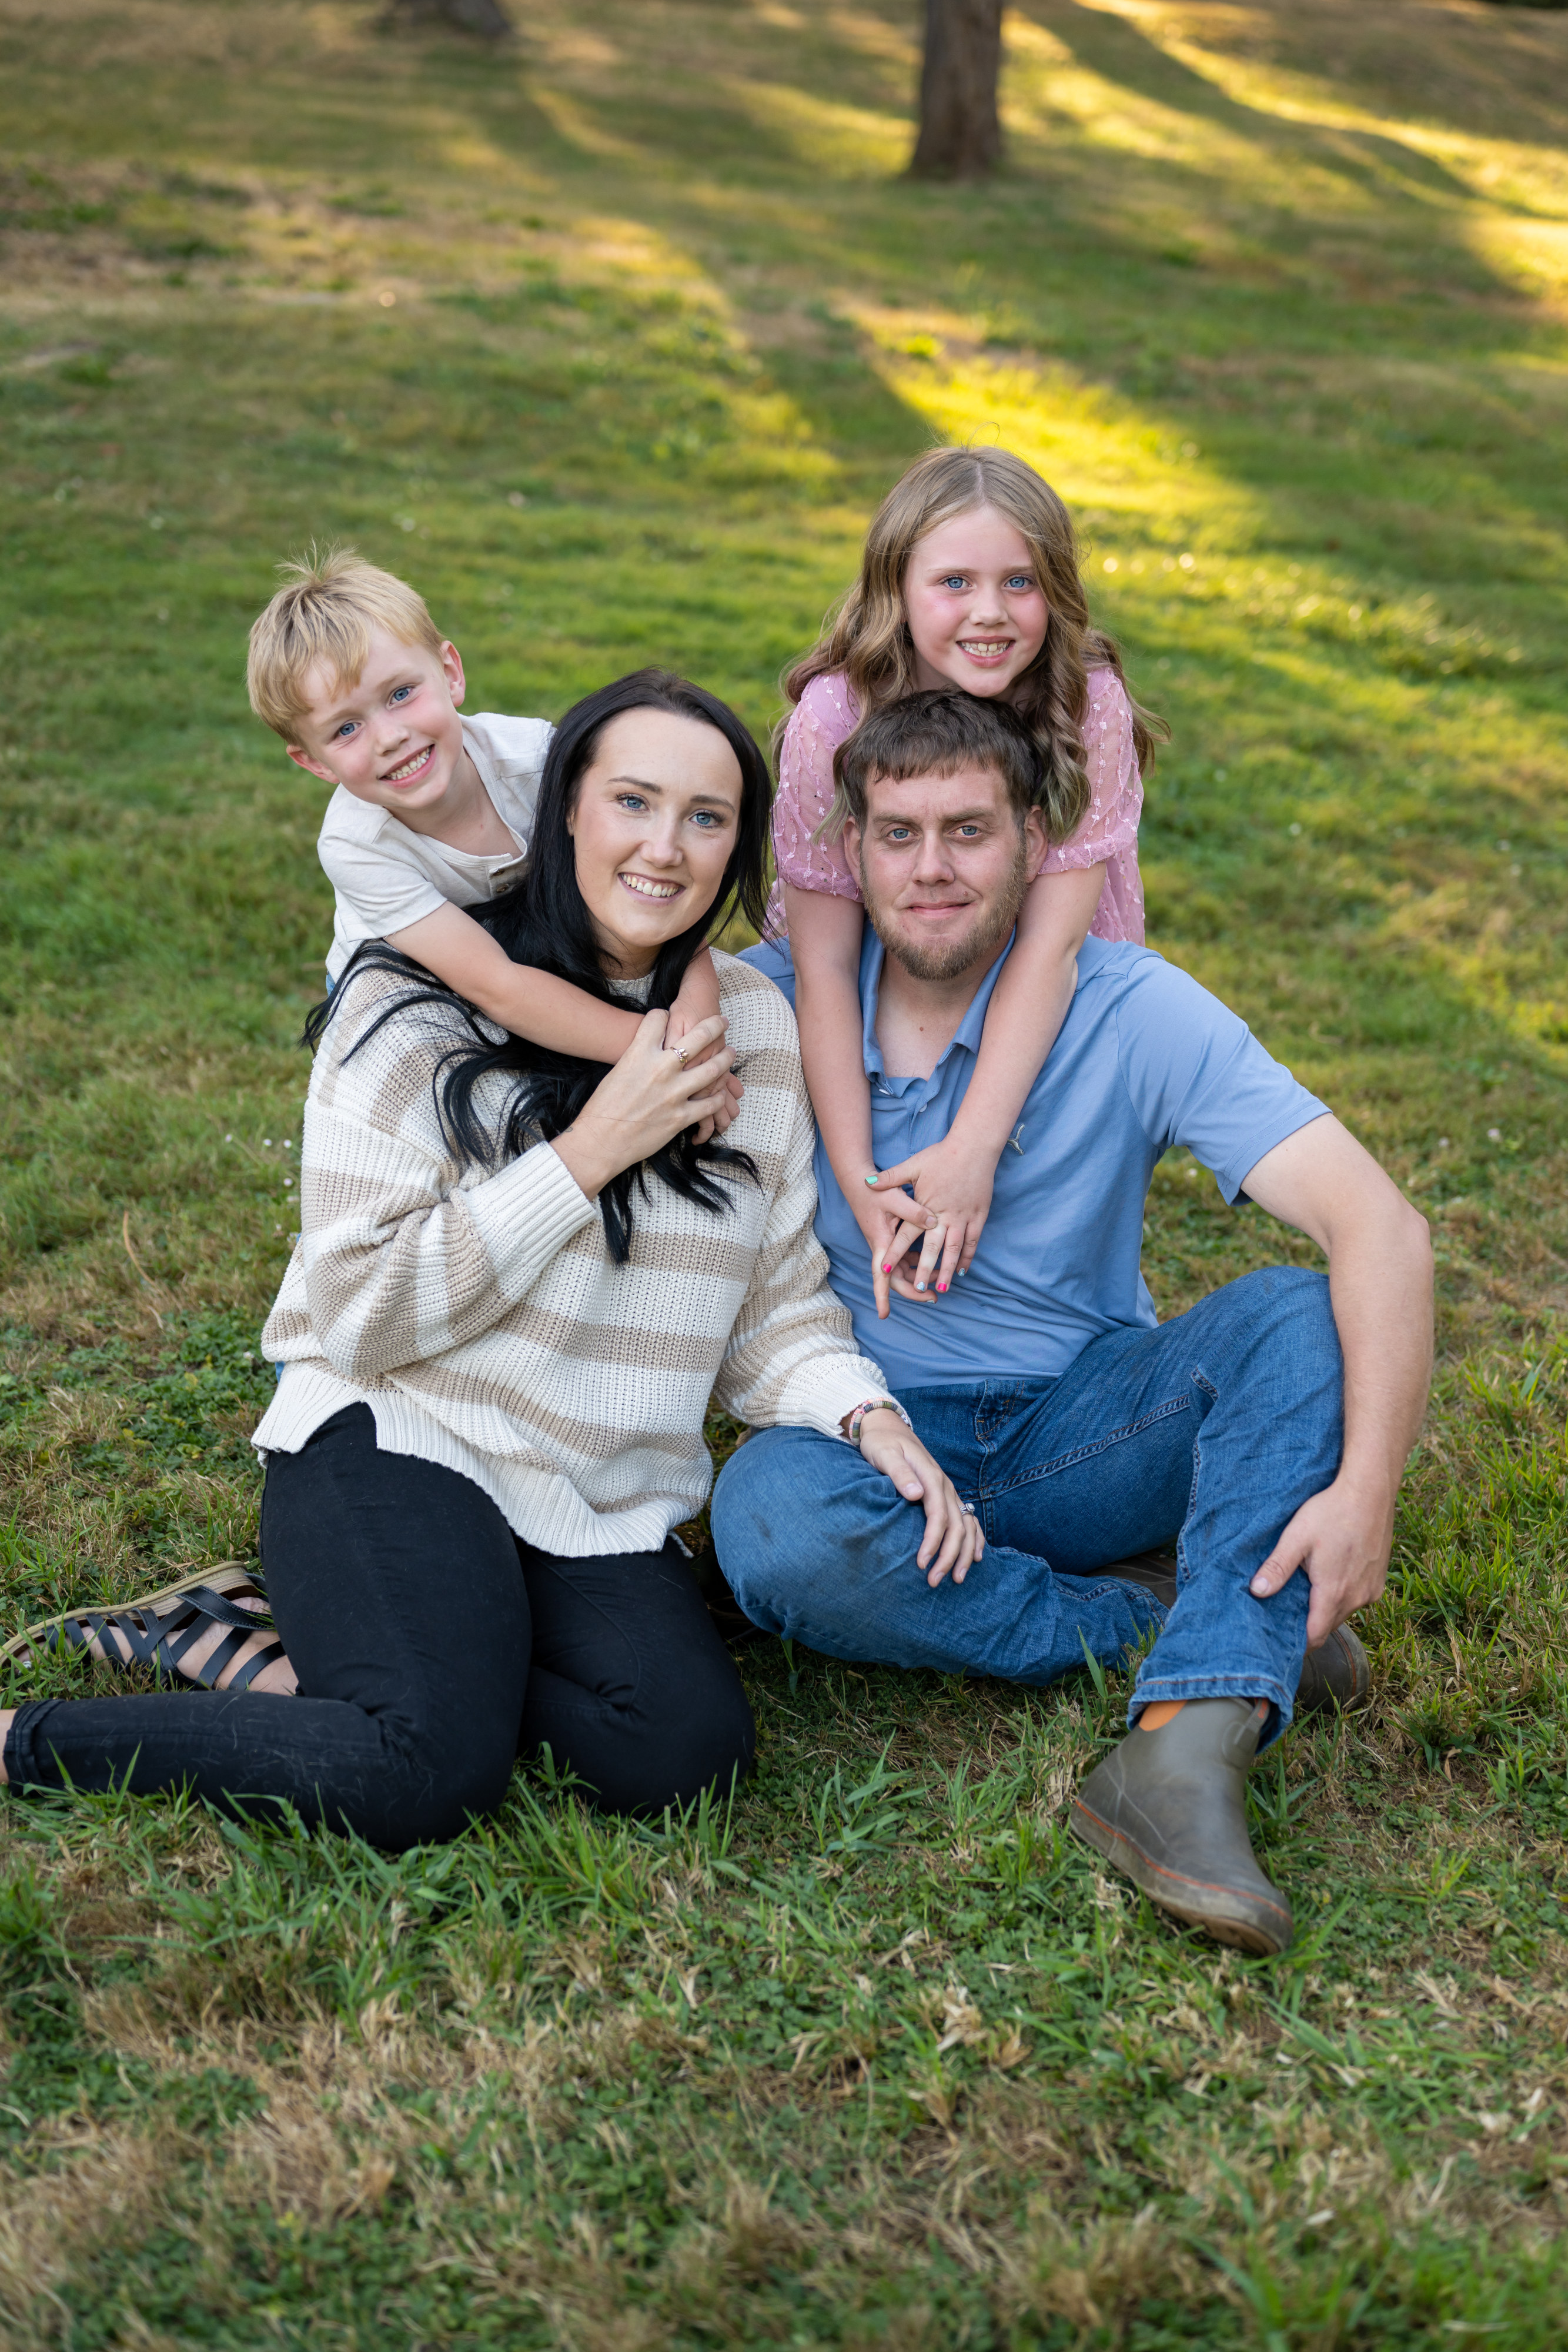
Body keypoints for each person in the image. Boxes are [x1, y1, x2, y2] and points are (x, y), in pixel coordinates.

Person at [0, 674, 978, 1846]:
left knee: (682, 1751)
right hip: (402, 1429)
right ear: (563, 809)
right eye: (631, 801)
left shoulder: (752, 1032)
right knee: (424, 1767)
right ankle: (29, 1738)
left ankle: (302, 1647)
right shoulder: (412, 995)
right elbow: (358, 1311)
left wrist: (867, 1417)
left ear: (737, 846)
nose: (664, 847)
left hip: (590, 1487)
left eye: (706, 817)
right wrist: (588, 1153)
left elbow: (772, 1313)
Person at [720, 689, 1433, 1955]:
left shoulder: (1126, 1004)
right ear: (850, 844)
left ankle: (1180, 1748)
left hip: (1084, 1432)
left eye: (968, 831)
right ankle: (1202, 1622)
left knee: (1292, 1312)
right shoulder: (770, 1008)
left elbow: (1378, 1225)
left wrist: (1367, 1489)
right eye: (897, 834)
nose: (931, 870)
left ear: (1035, 838)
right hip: (868, 1446)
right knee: (767, 1519)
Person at [773, 444, 1161, 1295]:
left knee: (1030, 1196)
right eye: (954, 582)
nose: (990, 613)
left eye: (1020, 582)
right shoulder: (834, 714)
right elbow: (824, 963)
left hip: (1041, 965)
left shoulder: (1084, 701)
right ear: (896, 588)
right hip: (882, 961)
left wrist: (976, 1147)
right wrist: (858, 1176)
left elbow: (1054, 949)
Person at [246, 547, 739, 1130]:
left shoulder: (534, 759)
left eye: (400, 694)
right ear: (314, 762)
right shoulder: (358, 846)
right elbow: (499, 987)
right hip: (414, 987)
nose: (389, 737)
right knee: (449, 1119)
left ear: (450, 672)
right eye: (347, 728)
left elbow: (654, 883)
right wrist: (671, 1057)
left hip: (526, 951)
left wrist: (698, 1011)